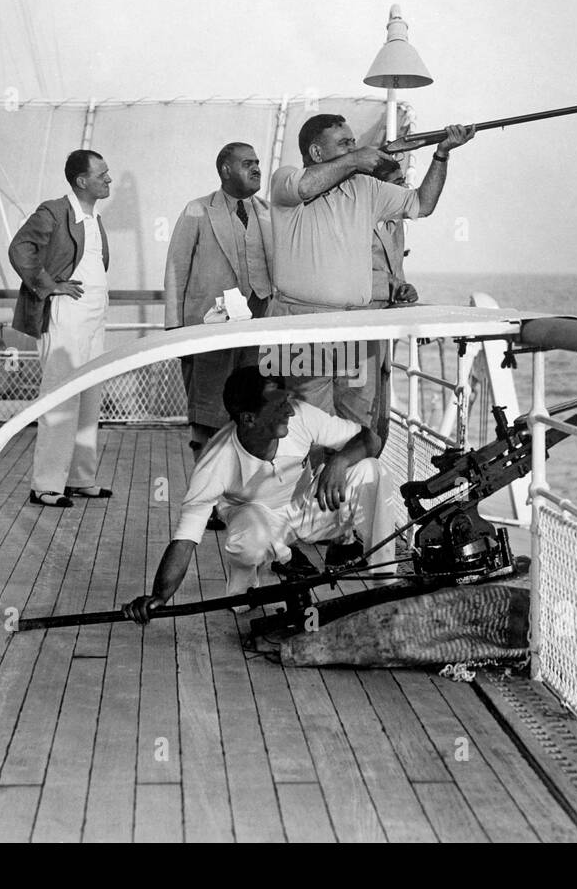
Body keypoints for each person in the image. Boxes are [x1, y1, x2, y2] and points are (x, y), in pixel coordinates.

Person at [122, 366, 396, 624]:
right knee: (249, 545)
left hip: (306, 507)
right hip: (255, 522)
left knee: (372, 471)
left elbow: (371, 439)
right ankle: (249, 581)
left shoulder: (301, 415)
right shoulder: (214, 463)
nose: (290, 411)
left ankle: (386, 585)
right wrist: (158, 596)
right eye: (279, 406)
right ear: (249, 418)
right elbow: (185, 539)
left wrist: (340, 461)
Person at [265, 113, 474, 425]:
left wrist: (442, 153)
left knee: (358, 426)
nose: (353, 149)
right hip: (299, 327)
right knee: (303, 425)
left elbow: (423, 203)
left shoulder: (365, 187)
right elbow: (306, 187)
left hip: (354, 325)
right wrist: (355, 160)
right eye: (344, 144)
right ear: (316, 153)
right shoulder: (285, 178)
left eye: (353, 143)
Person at [8, 149, 114, 508]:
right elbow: (20, 248)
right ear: (81, 181)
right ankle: (46, 485)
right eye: (102, 175)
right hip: (66, 315)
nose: (109, 179)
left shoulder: (94, 217)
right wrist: (48, 284)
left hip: (94, 317)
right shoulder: (53, 211)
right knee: (60, 397)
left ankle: (80, 478)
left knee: (90, 397)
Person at [163, 142, 274, 457]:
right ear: (226, 170)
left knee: (254, 408)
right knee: (207, 413)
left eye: (257, 162)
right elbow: (176, 268)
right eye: (247, 163)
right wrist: (175, 330)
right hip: (209, 328)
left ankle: (244, 480)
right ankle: (206, 482)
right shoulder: (197, 210)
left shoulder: (270, 212)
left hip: (259, 328)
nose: (256, 168)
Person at [367, 163, 419, 444]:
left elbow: (396, 271)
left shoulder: (396, 222)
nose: (404, 189)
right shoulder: (358, 220)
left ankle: (370, 454)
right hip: (360, 324)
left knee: (379, 406)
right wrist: (392, 285)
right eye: (397, 183)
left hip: (385, 328)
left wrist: (406, 297)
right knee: (358, 404)